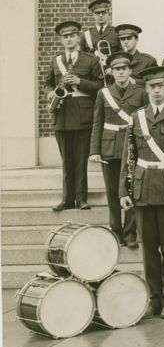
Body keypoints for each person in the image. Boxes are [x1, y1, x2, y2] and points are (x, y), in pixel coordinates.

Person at [118, 66, 164, 319]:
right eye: (152, 87)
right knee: (149, 249)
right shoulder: (137, 117)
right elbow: (128, 157)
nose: (157, 91)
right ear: (146, 89)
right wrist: (124, 190)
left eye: (161, 86)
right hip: (143, 188)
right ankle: (155, 298)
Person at [89, 50, 146, 246]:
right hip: (110, 147)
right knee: (113, 191)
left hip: (132, 148)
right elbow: (97, 122)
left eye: (124, 69)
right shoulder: (103, 93)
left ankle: (130, 234)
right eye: (117, 69)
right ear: (111, 72)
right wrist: (94, 150)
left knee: (130, 190)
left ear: (130, 71)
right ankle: (116, 231)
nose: (121, 72)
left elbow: (145, 121)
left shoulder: (141, 92)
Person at [47, 20, 104, 211]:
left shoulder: (90, 60)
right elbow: (48, 83)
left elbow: (100, 87)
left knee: (80, 160)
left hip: (82, 114)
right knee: (67, 161)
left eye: (72, 36)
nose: (69, 39)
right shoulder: (56, 60)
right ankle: (66, 199)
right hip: (62, 114)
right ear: (61, 40)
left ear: (78, 37)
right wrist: (49, 92)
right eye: (65, 37)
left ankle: (81, 199)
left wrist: (80, 81)